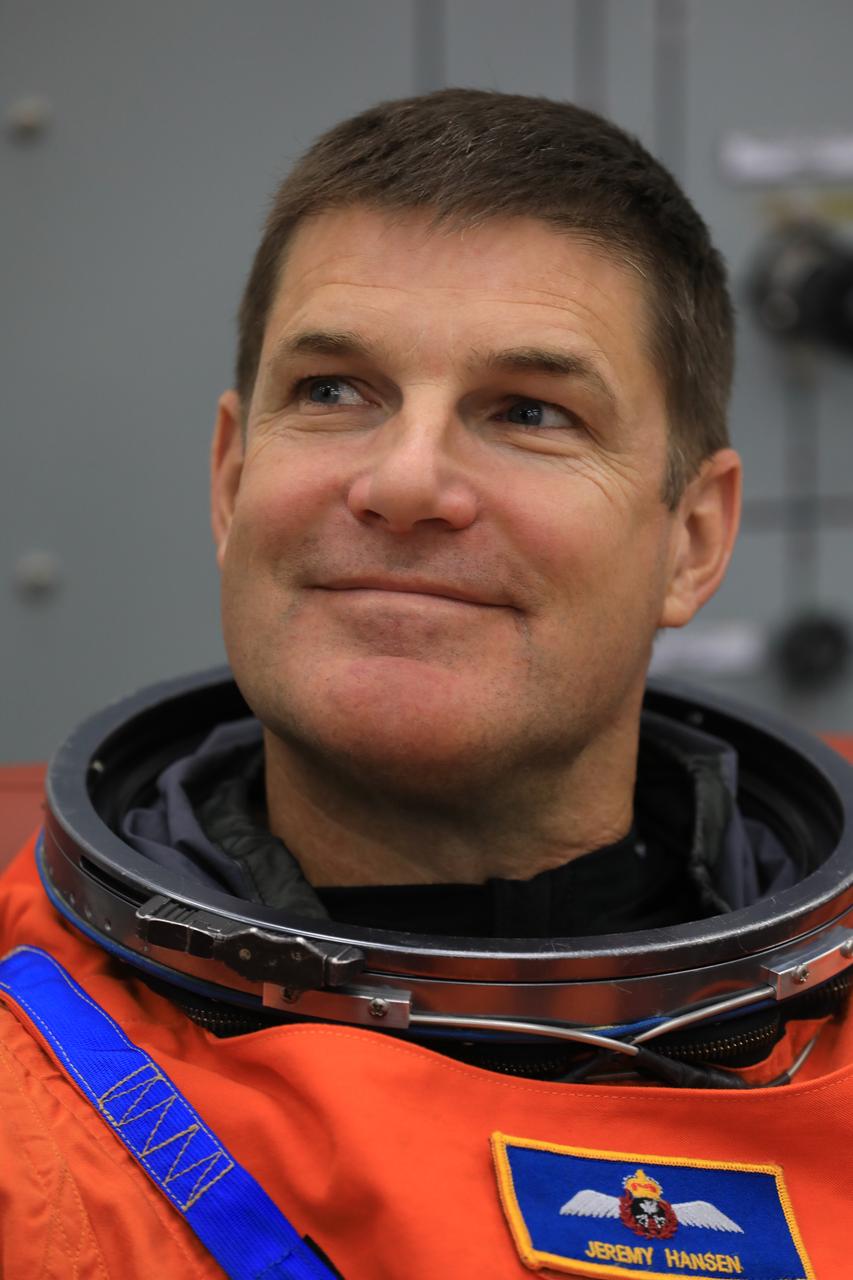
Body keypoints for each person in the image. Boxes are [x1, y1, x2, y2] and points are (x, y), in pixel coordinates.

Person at [1, 88, 851, 1280]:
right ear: (231, 477)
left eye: (529, 410)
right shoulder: (32, 1132)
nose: (405, 482)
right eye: (335, 390)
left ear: (694, 538)